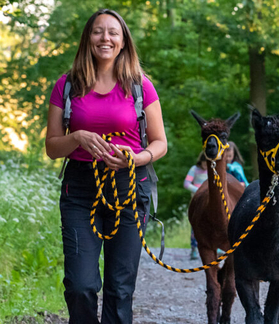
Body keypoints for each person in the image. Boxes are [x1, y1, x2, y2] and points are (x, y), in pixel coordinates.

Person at [45, 9, 167, 324]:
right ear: (88, 38)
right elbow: (52, 146)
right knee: (80, 286)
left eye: (113, 32)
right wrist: (78, 139)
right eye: (98, 31)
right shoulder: (67, 85)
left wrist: (135, 158)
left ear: (124, 41)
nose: (105, 38)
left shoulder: (141, 85)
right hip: (80, 191)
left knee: (120, 289)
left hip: (129, 188)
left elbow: (159, 144)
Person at [183, 153, 208, 260]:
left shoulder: (212, 169)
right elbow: (186, 183)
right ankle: (194, 248)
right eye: (204, 163)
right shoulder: (195, 169)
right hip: (197, 200)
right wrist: (198, 190)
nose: (206, 165)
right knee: (195, 225)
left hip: (208, 201)